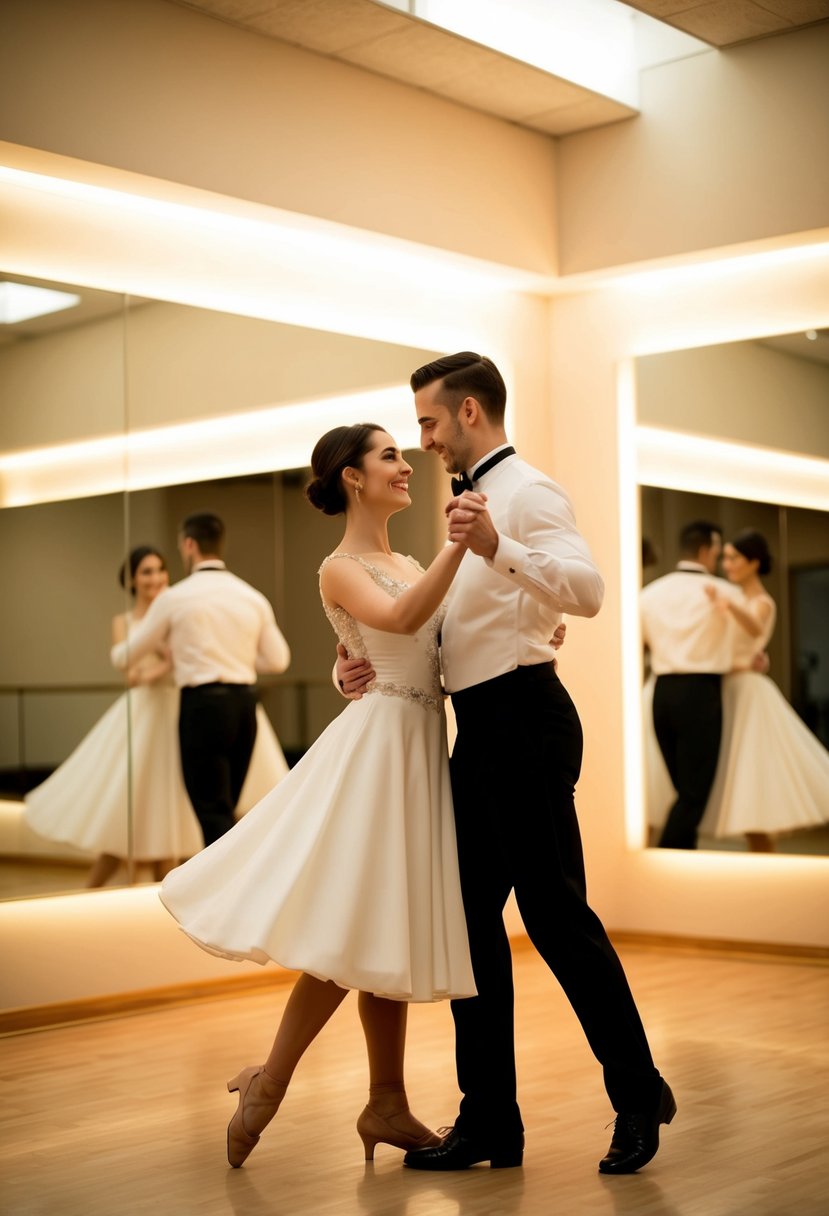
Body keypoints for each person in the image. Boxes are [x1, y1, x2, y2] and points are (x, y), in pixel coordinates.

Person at [339, 353, 673, 1176]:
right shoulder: (463, 504)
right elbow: (451, 629)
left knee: (558, 921)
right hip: (479, 730)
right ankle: (490, 1120)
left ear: (469, 416)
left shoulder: (527, 493)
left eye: (427, 422)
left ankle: (638, 1095)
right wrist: (365, 666)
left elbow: (589, 593)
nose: (421, 440)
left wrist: (501, 547)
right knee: (469, 929)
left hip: (525, 721)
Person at [159, 424, 475, 1169]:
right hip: (376, 752)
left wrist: (530, 627)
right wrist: (460, 547)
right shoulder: (339, 567)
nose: (406, 466)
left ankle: (386, 1100)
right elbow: (396, 622)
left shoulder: (409, 559)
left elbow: (442, 643)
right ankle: (269, 1084)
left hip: (419, 743)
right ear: (352, 478)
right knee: (349, 932)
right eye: (390, 455)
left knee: (381, 931)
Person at [25, 546, 203, 885]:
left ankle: (158, 897)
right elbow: (131, 676)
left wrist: (169, 664)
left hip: (175, 710)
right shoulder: (123, 622)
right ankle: (100, 893)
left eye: (160, 570)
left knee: (168, 804)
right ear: (132, 579)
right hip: (142, 714)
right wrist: (165, 664)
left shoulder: (174, 613)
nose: (156, 578)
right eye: (147, 572)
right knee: (130, 807)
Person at [111, 514, 291, 846]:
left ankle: (225, 892)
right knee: (228, 806)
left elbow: (124, 657)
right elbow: (278, 660)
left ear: (189, 544)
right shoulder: (251, 596)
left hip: (203, 707)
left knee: (212, 811)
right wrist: (232, 654)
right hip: (244, 706)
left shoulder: (175, 597)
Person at [700, 529, 829, 850]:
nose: (727, 564)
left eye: (734, 558)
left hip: (747, 693)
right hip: (725, 688)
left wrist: (728, 604)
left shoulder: (759, 602)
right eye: (725, 557)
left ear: (754, 563)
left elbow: (756, 626)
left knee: (752, 778)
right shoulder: (730, 596)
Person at [640, 520, 741, 850]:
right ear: (707, 550)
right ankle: (669, 861)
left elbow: (639, 646)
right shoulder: (727, 594)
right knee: (693, 793)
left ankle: (681, 861)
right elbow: (744, 645)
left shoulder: (649, 594)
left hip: (662, 693)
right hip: (701, 694)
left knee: (685, 790)